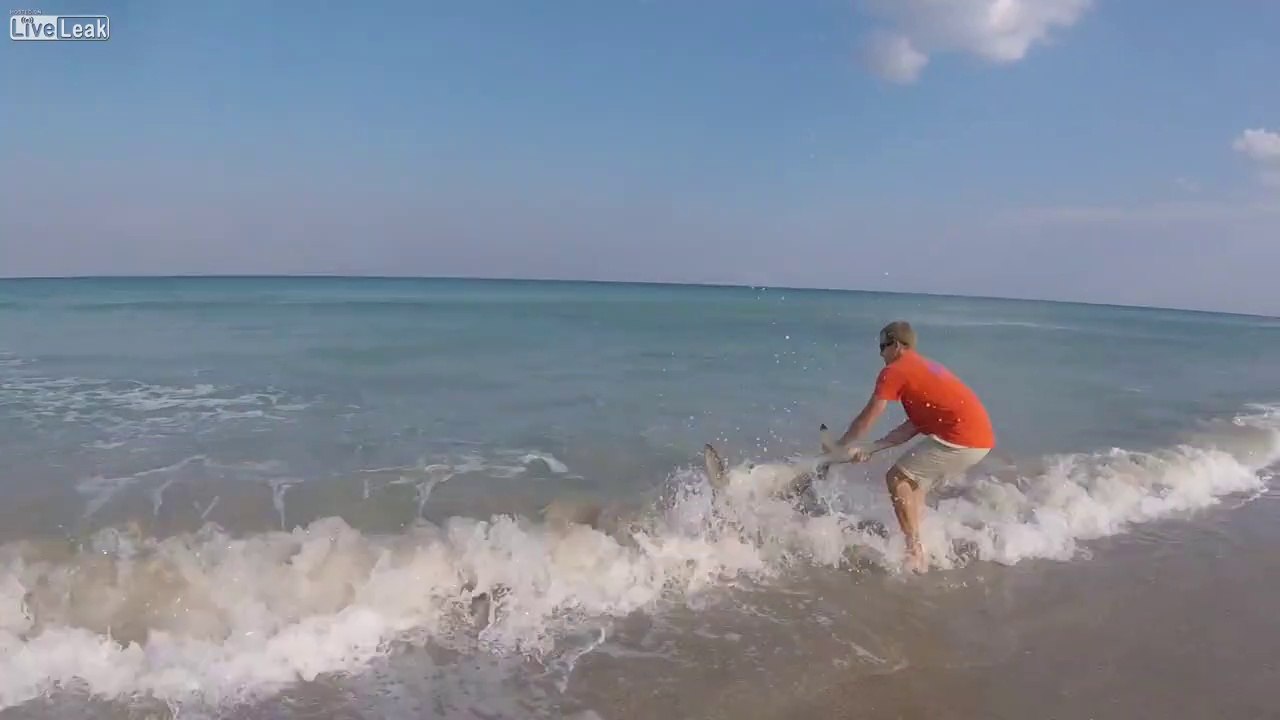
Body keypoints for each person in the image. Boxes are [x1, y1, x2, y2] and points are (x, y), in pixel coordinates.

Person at [834, 321, 995, 573]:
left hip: (963, 438)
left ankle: (914, 552)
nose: (880, 354)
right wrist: (872, 448)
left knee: (897, 478)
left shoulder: (895, 370)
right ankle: (925, 549)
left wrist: (840, 445)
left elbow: (869, 415)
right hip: (978, 439)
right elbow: (911, 427)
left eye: (883, 346)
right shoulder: (924, 368)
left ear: (897, 345)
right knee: (914, 485)